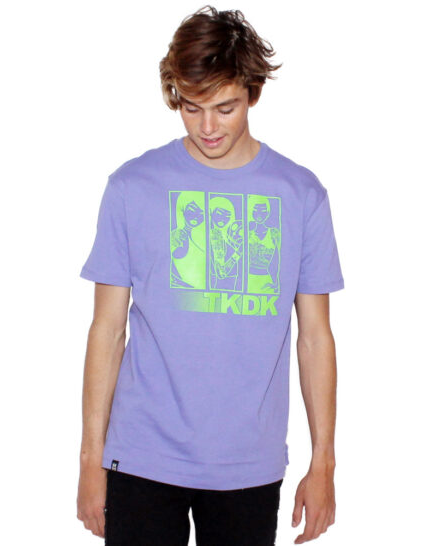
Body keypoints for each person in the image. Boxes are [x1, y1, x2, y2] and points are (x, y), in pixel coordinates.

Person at [76, 5, 344, 545]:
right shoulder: (132, 187)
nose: (207, 127)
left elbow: (315, 337)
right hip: (142, 457)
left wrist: (324, 463)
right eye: (191, 107)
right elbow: (107, 330)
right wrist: (89, 461)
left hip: (249, 464)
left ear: (253, 93)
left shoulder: (300, 194)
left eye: (225, 108)